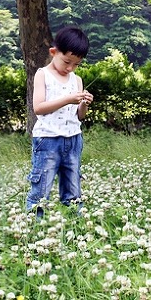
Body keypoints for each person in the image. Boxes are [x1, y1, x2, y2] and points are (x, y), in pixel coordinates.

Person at [26, 26, 94, 218]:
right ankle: (33, 230)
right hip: (48, 140)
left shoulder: (76, 80)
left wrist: (83, 104)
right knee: (41, 190)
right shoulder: (43, 74)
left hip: (73, 140)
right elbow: (39, 108)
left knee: (73, 191)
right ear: (54, 52)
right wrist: (68, 99)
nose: (70, 68)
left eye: (76, 64)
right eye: (67, 61)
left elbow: (79, 116)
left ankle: (75, 230)